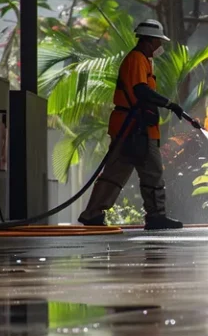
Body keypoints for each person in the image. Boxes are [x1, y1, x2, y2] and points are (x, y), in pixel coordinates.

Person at [77, 20, 185, 229]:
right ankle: (156, 216)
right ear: (150, 40)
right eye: (158, 41)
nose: (159, 46)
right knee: (152, 171)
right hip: (134, 129)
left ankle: (92, 213)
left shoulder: (144, 60)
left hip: (132, 128)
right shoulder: (136, 58)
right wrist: (169, 104)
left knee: (115, 173)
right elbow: (141, 90)